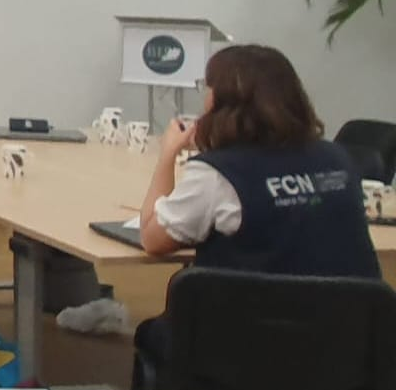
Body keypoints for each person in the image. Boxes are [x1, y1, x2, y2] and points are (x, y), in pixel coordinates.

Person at [134, 44, 381, 371]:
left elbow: (152, 238)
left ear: (220, 101)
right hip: (348, 347)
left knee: (150, 333)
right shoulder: (339, 160)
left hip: (244, 355)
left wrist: (167, 156)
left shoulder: (217, 174)